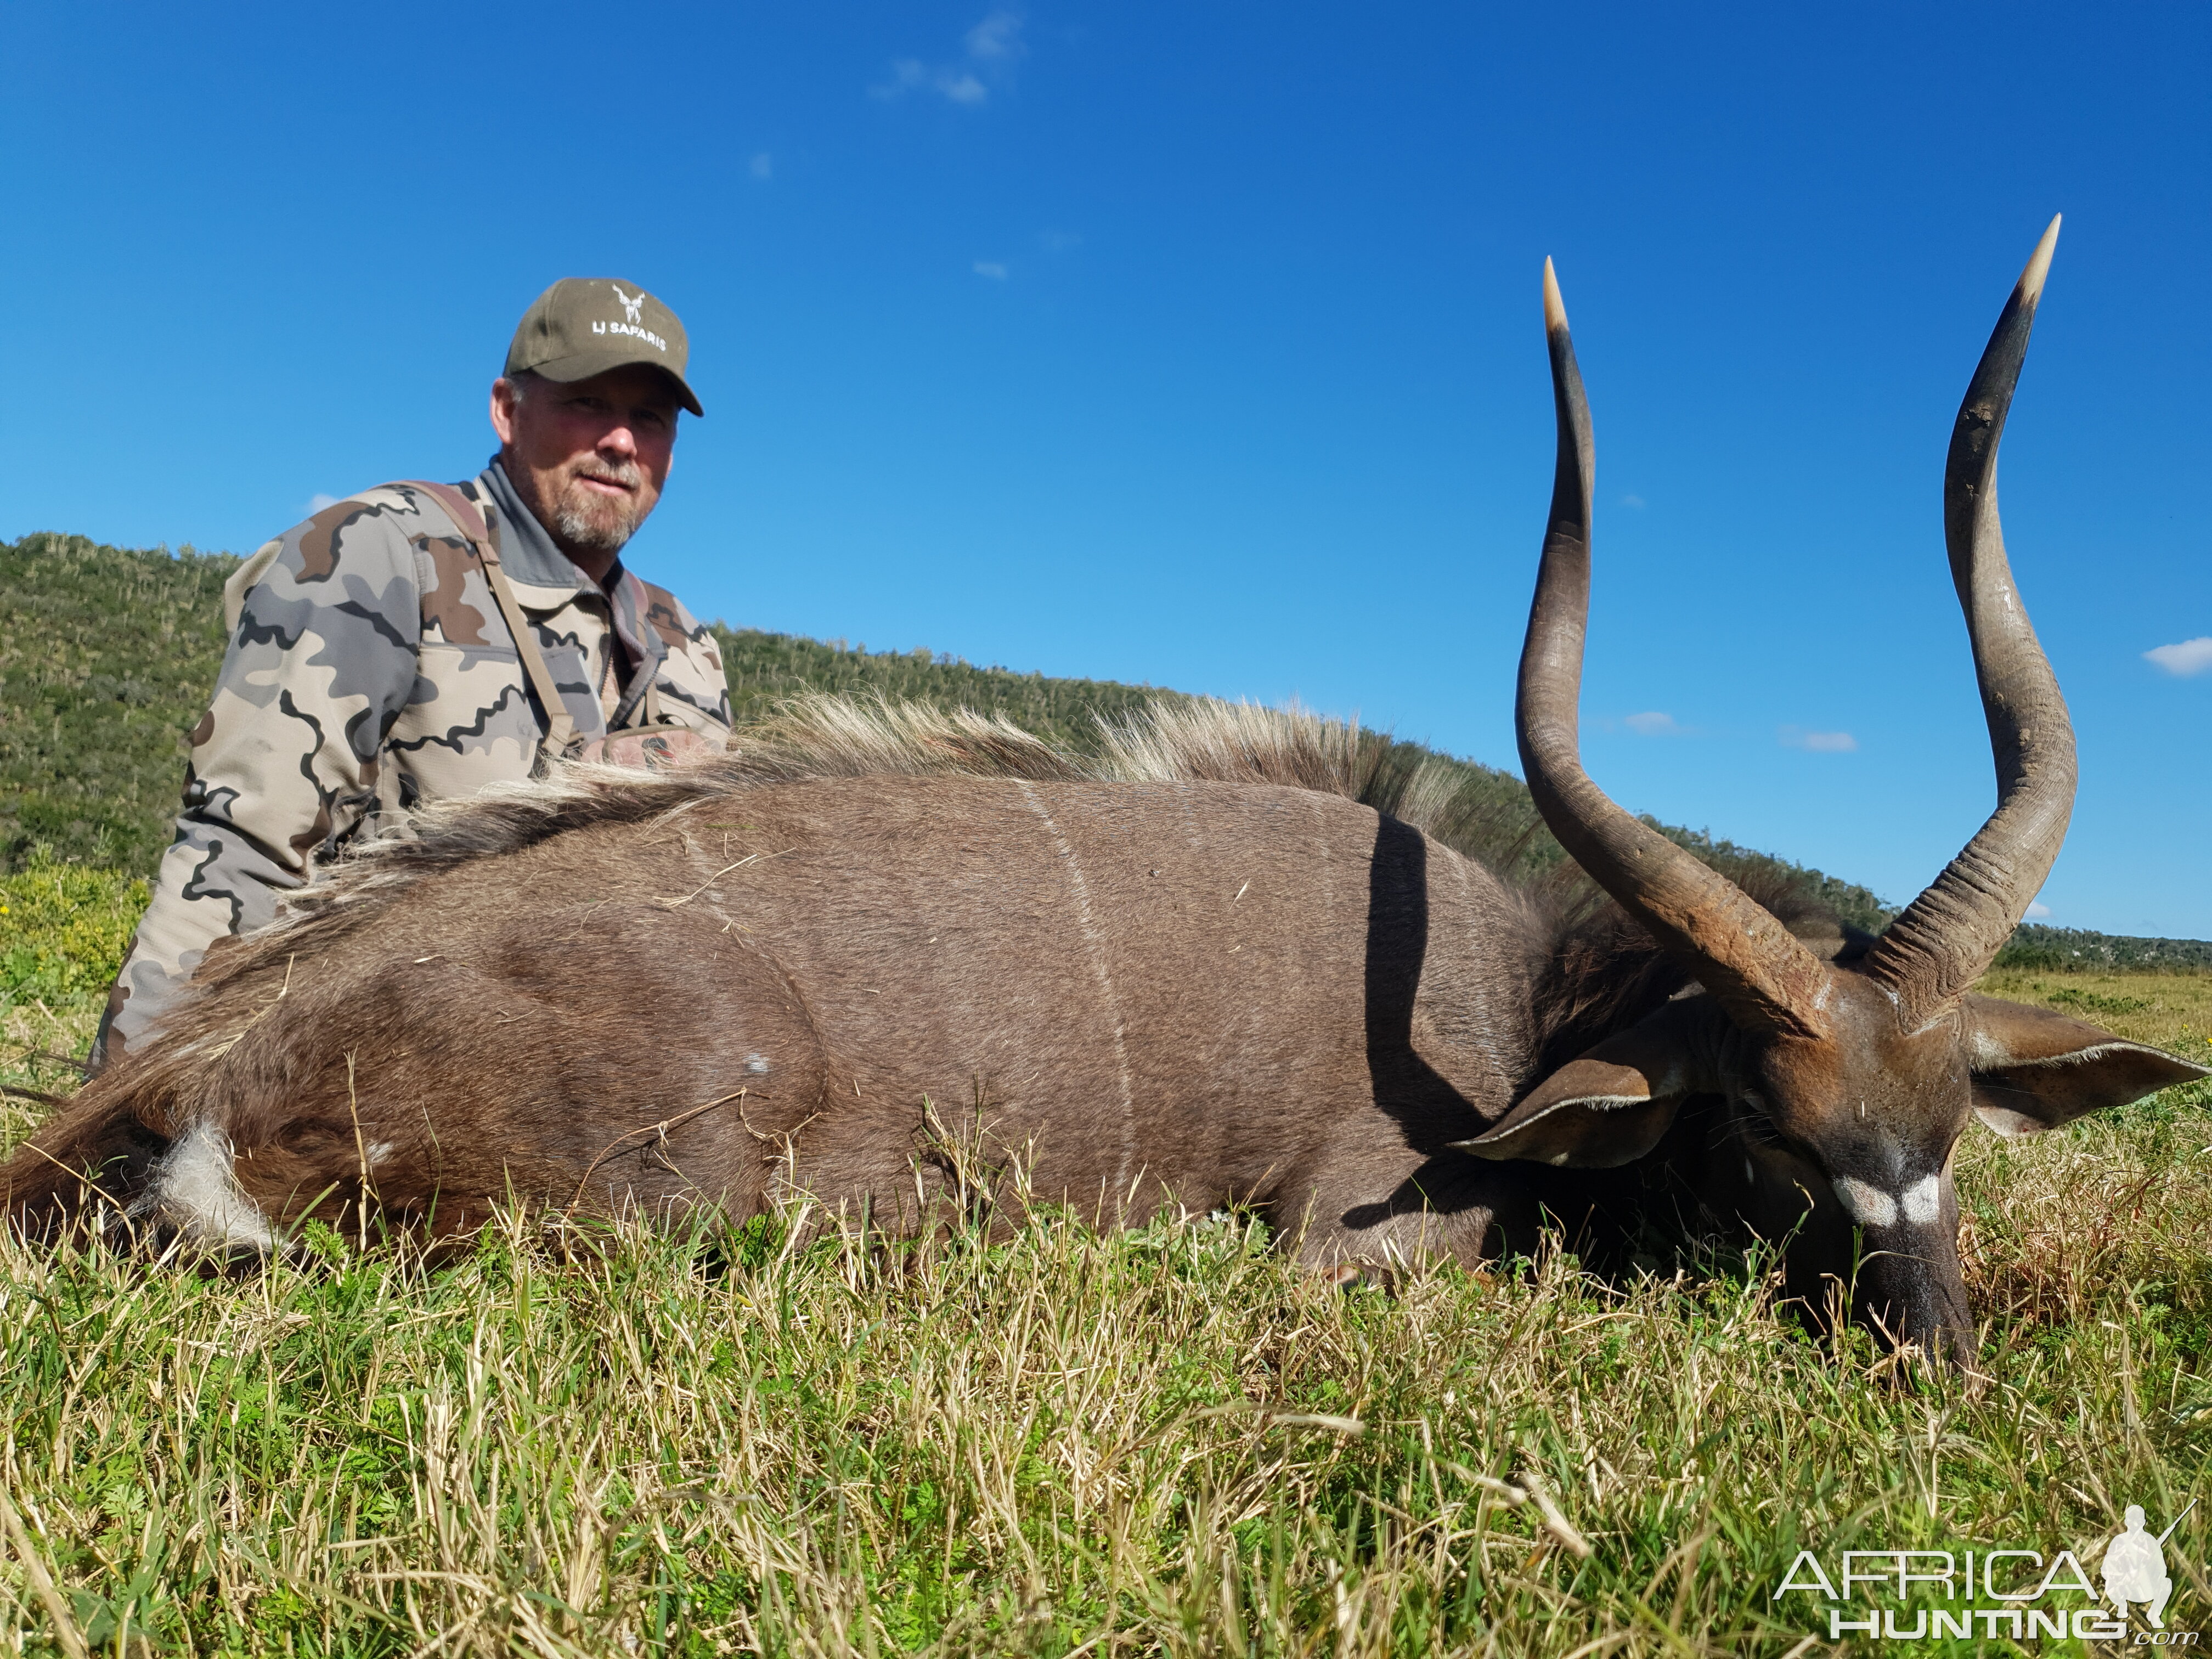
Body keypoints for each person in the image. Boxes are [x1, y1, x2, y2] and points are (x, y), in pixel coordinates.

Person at [94, 278, 733, 1069]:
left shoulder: (685, 642)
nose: (620, 442)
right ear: (507, 410)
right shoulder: (376, 553)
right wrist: (121, 1140)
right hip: (370, 1066)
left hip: (595, 1086)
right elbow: (243, 849)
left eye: (649, 418)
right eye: (587, 402)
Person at [2103, 1505, 2174, 1628]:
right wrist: (2125, 1575)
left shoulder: (2151, 1541)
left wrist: (2149, 1570)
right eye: (2132, 1520)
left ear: (2144, 1522)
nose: (2135, 1524)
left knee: (2167, 1583)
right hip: (2125, 1588)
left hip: (2146, 1588)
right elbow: (2107, 1567)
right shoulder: (2119, 1541)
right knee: (2111, 1583)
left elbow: (2162, 1569)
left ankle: (2155, 1614)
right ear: (2126, 1522)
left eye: (2139, 1520)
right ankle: (2122, 1606)